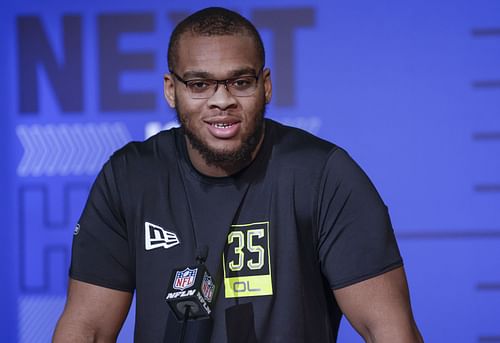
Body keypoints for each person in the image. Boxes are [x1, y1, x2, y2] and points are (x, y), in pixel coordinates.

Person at [53, 7, 423, 343]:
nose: (221, 100)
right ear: (171, 90)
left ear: (265, 85)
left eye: (240, 82)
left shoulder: (324, 175)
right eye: (200, 85)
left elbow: (389, 329)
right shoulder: (129, 176)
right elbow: (88, 329)